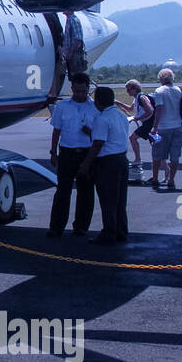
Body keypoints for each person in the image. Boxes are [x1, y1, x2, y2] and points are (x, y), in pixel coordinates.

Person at [47, 72, 98, 238]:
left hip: (86, 153)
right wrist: (53, 152)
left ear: (88, 89)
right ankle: (56, 227)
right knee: (63, 191)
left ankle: (81, 226)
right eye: (77, 91)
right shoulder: (63, 106)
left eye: (83, 91)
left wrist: (90, 132)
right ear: (72, 89)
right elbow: (56, 130)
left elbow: (100, 135)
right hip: (67, 152)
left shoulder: (95, 108)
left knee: (86, 191)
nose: (80, 95)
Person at [79, 86, 129, 245]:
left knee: (107, 199)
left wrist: (86, 164)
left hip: (108, 162)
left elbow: (98, 144)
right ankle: (121, 230)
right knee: (120, 200)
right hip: (122, 158)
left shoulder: (101, 119)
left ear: (98, 102)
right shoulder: (121, 116)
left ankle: (109, 233)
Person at [149, 68, 182, 190]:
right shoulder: (179, 90)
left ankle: (155, 178)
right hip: (177, 126)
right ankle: (171, 179)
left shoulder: (159, 91)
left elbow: (159, 109)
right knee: (175, 155)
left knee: (157, 155)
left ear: (161, 79)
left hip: (163, 127)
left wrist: (154, 126)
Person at [115, 79, 154, 184]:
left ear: (135, 89)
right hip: (146, 123)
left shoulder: (142, 97)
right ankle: (166, 171)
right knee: (154, 146)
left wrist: (137, 118)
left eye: (129, 90)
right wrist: (118, 103)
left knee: (132, 138)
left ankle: (138, 159)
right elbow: (131, 109)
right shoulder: (136, 99)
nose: (128, 92)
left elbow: (150, 110)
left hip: (149, 124)